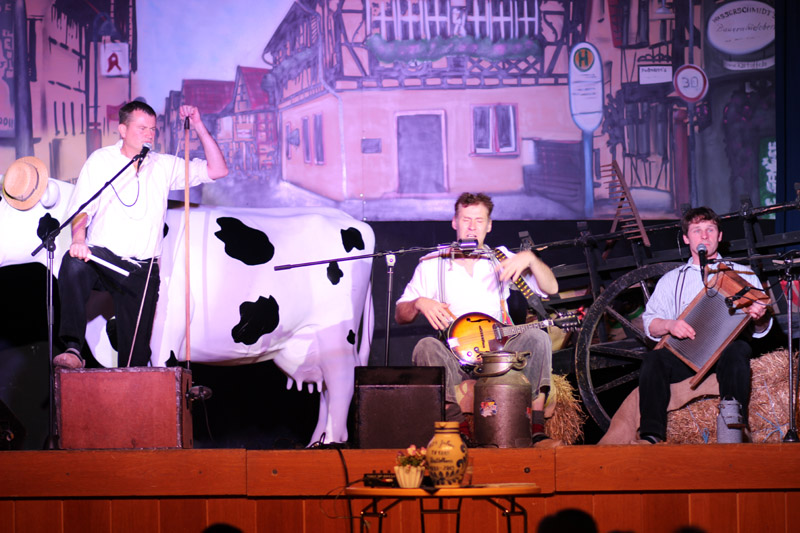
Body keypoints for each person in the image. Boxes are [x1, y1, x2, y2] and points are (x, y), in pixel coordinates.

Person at [54, 100, 228, 368]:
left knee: (134, 360)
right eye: (142, 128)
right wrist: (78, 240)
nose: (149, 135)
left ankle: (132, 386)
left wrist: (198, 125)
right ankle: (73, 348)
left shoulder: (163, 165)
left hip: (141, 272)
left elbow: (218, 170)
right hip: (103, 259)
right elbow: (81, 209)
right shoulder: (101, 160)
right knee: (73, 263)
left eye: (152, 129)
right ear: (123, 130)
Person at [395, 192, 559, 446]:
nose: (472, 227)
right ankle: (456, 429)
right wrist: (418, 302)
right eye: (466, 220)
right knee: (425, 346)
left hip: (500, 355)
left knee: (538, 337)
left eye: (479, 220)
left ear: (489, 225)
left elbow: (551, 288)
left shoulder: (501, 258)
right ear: (454, 222)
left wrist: (531, 259)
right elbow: (400, 315)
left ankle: (535, 428)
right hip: (455, 356)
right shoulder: (432, 264)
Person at [638, 206, 771, 444]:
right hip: (686, 356)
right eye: (697, 230)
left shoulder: (743, 274)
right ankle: (651, 435)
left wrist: (759, 317)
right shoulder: (672, 280)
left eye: (710, 229)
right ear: (686, 238)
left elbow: (761, 331)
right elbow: (650, 324)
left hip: (726, 357)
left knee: (738, 348)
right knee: (653, 359)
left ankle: (733, 425)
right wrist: (670, 325)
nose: (704, 235)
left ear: (719, 236)